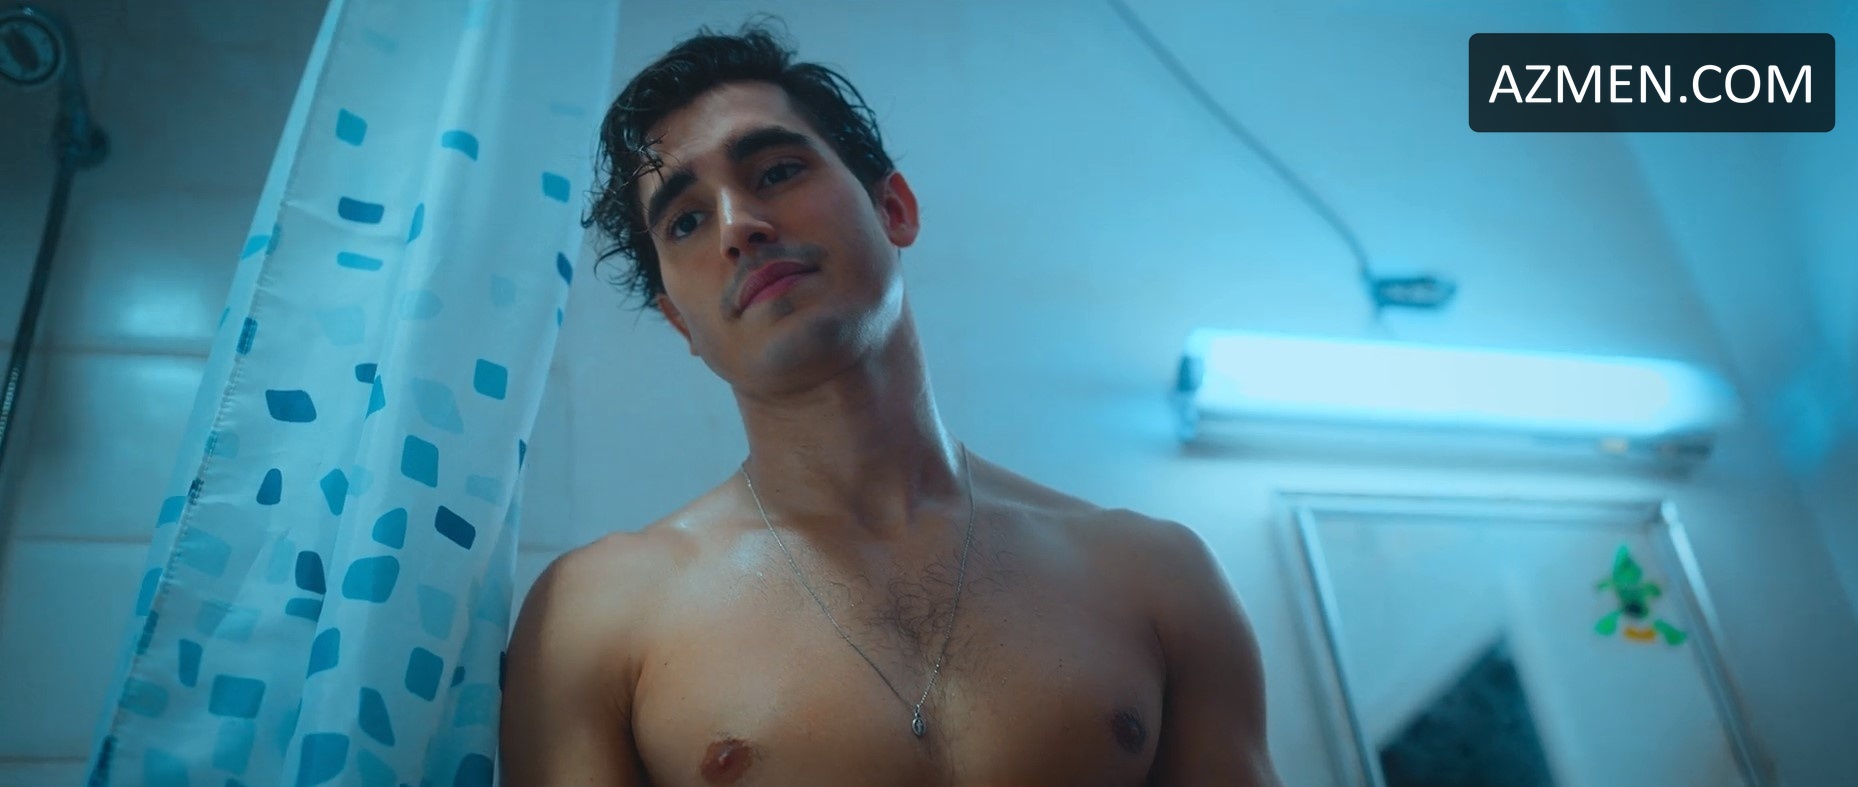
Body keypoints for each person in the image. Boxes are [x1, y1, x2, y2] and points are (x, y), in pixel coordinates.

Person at [500, 20, 1281, 787]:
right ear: (680, 323)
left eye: (776, 171)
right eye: (687, 220)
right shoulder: (597, 614)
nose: (739, 227)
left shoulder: (1154, 575)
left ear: (893, 208)